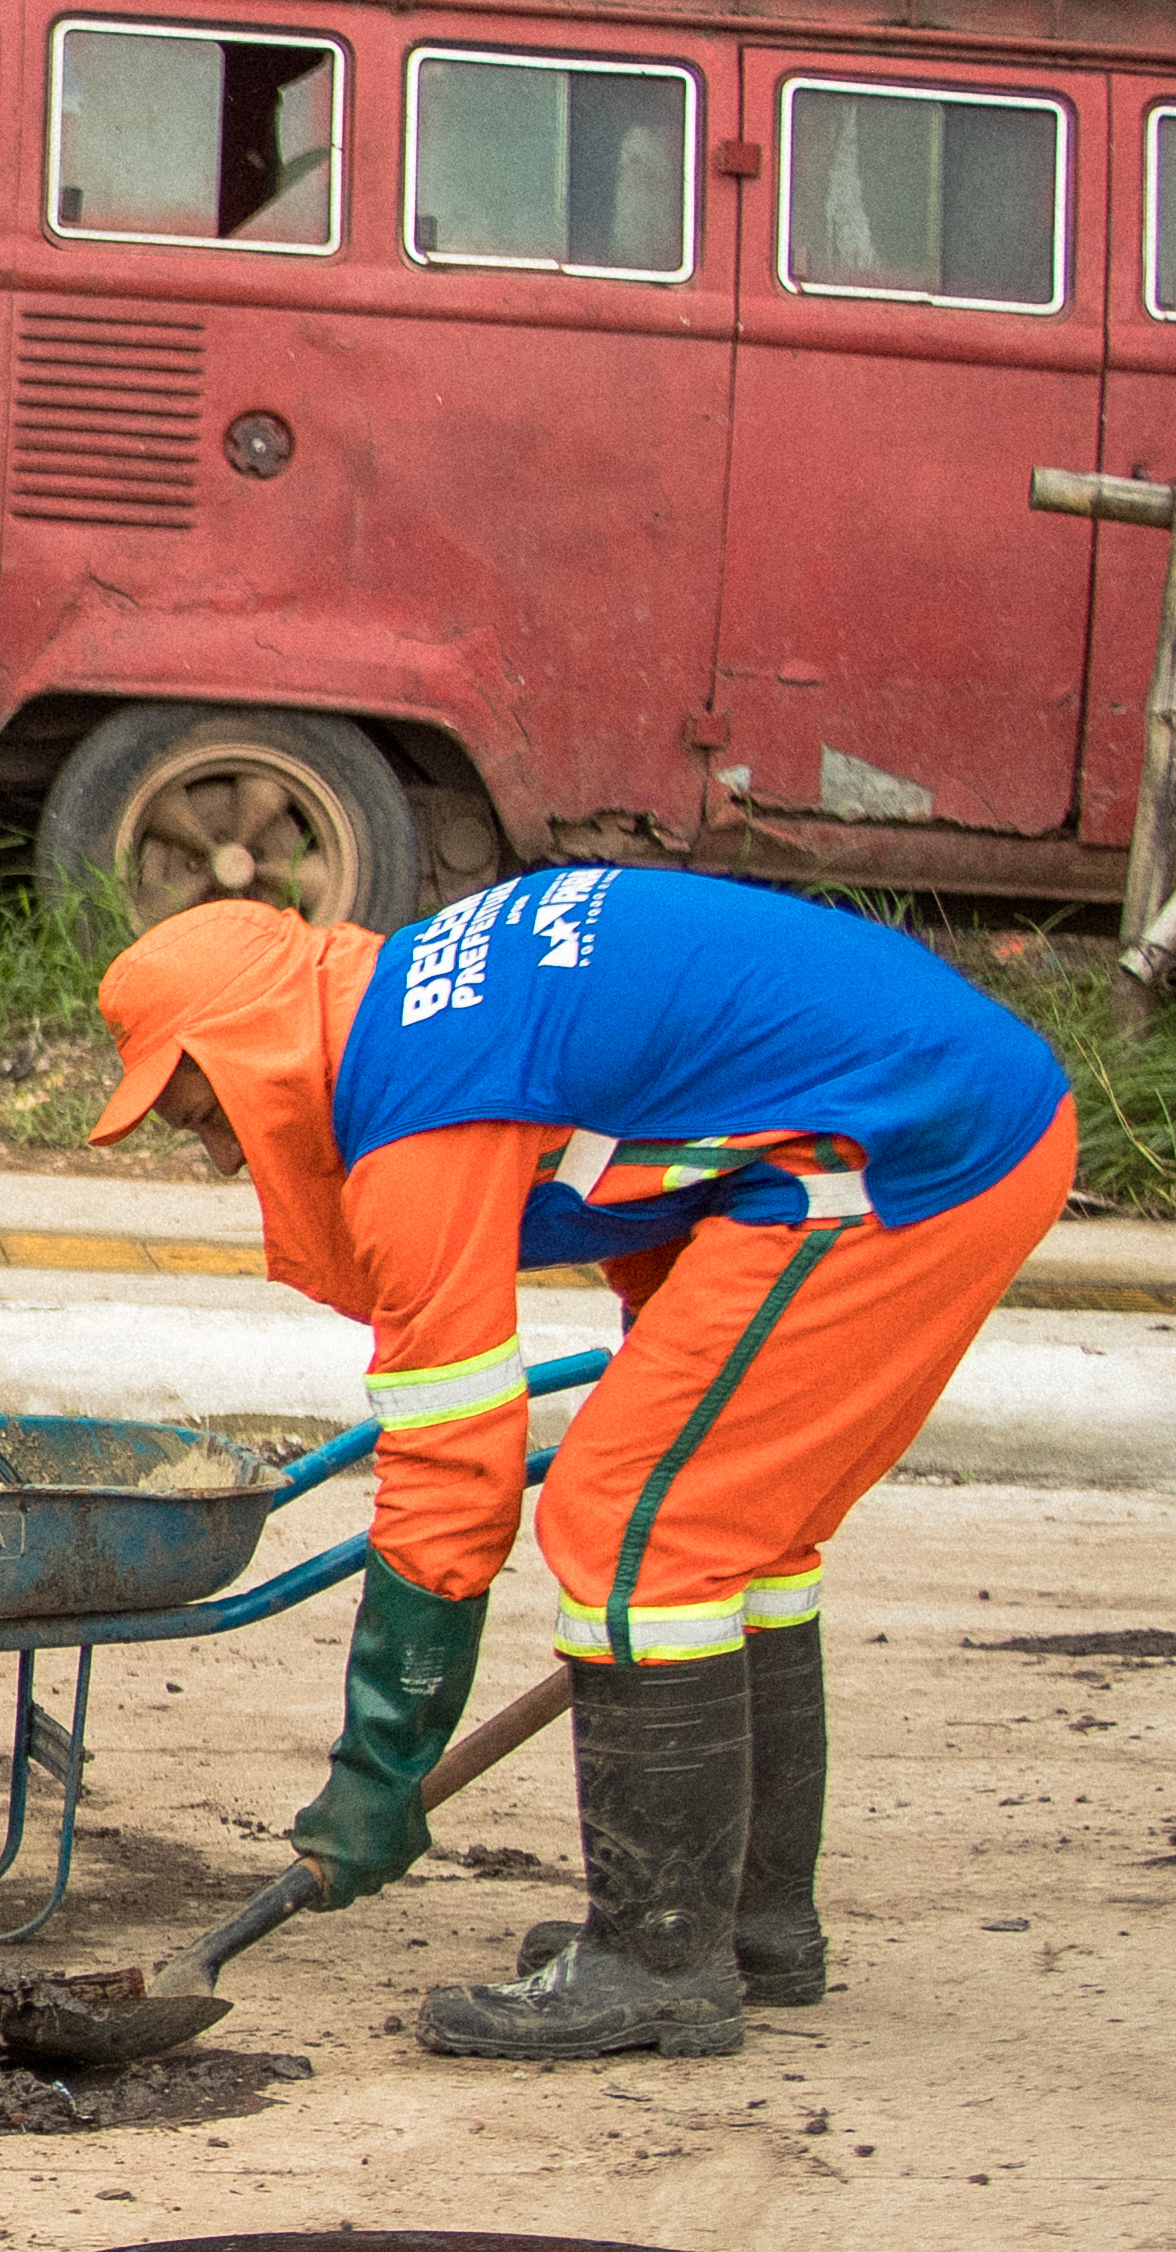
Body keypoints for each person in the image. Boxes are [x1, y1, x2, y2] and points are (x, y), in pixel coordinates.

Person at [89, 873, 1072, 2058]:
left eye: (205, 1114)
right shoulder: (418, 1013)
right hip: (926, 1114)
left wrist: (380, 1766)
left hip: (900, 1147)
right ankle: (744, 1918)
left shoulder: (418, 1111)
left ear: (252, 1046)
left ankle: (659, 1958)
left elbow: (452, 1469)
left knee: (633, 1526)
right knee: (725, 1522)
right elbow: (655, 1176)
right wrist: (670, 1369)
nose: (217, 1162)